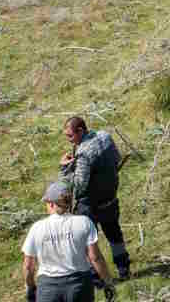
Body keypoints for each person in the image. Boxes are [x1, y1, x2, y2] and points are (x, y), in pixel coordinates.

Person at [59, 118, 130, 281]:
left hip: (90, 203)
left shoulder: (84, 153)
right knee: (114, 234)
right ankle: (124, 269)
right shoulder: (105, 136)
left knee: (87, 241)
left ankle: (97, 277)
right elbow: (117, 159)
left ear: (80, 131)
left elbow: (79, 185)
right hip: (110, 196)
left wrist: (65, 168)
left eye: (70, 136)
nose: (68, 139)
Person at [22, 181, 116, 302]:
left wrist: (30, 287)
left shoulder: (37, 228)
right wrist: (108, 282)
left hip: (48, 288)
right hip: (79, 285)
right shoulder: (84, 222)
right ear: (69, 202)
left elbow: (28, 266)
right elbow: (95, 258)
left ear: (51, 204)